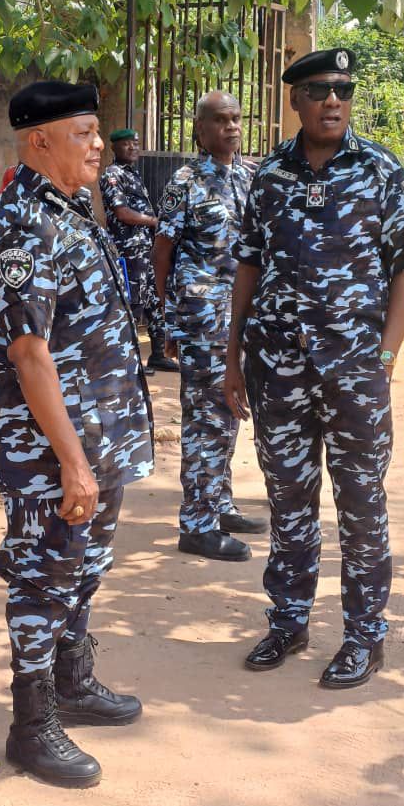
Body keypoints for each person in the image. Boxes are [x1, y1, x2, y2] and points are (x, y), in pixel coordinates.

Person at [224, 48, 404, 688]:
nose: (333, 100)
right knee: (288, 499)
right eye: (318, 89)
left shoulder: (381, 170)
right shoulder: (268, 178)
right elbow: (249, 266)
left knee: (361, 502)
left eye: (342, 88)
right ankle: (288, 621)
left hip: (354, 372)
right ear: (295, 101)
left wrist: (387, 356)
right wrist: (234, 357)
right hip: (277, 367)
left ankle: (365, 635)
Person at [0, 80, 154, 788]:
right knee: (41, 581)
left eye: (97, 132)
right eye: (83, 133)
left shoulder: (71, 210)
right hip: (50, 451)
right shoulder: (21, 225)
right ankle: (31, 723)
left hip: (97, 438)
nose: (98, 145)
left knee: (84, 570)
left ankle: (73, 682)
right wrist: (72, 464)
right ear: (37, 141)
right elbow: (29, 354)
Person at [153, 90, 267, 563]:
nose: (231, 127)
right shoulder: (185, 182)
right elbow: (162, 252)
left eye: (237, 118)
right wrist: (164, 319)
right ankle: (196, 525)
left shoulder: (248, 178)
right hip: (202, 321)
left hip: (239, 319)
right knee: (206, 419)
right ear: (200, 130)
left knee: (228, 411)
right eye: (220, 120)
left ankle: (218, 505)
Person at [99, 128, 178, 374]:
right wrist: (155, 221)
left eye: (135, 143)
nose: (133, 148)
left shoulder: (132, 174)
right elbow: (122, 213)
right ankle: (128, 359)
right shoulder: (112, 175)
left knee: (155, 301)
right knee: (132, 304)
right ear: (114, 148)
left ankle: (157, 355)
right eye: (126, 144)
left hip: (145, 250)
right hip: (127, 251)